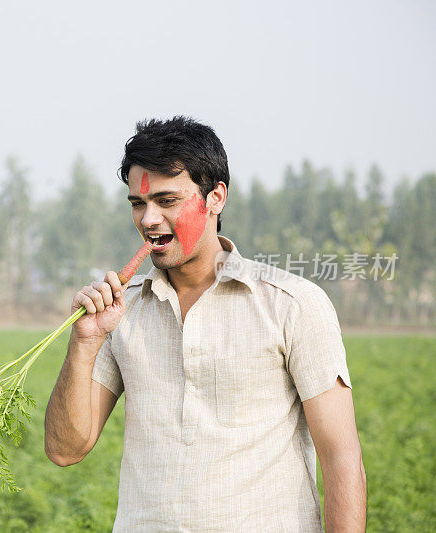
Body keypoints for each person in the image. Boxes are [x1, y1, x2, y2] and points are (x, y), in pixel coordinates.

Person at [43, 117, 366, 532]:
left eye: (167, 200)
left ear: (215, 198)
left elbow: (342, 459)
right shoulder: (121, 314)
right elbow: (65, 450)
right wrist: (84, 341)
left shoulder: (291, 304)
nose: (149, 219)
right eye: (138, 204)